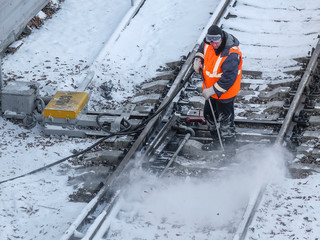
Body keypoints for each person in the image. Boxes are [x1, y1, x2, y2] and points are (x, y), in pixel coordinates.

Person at [193, 24, 243, 152]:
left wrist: (211, 90)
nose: (213, 45)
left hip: (225, 94)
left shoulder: (231, 54)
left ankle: (230, 151)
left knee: (225, 123)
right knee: (209, 117)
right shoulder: (208, 43)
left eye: (216, 42)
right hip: (210, 92)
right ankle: (216, 143)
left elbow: (228, 79)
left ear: (222, 38)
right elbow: (202, 48)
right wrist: (198, 59)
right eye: (211, 42)